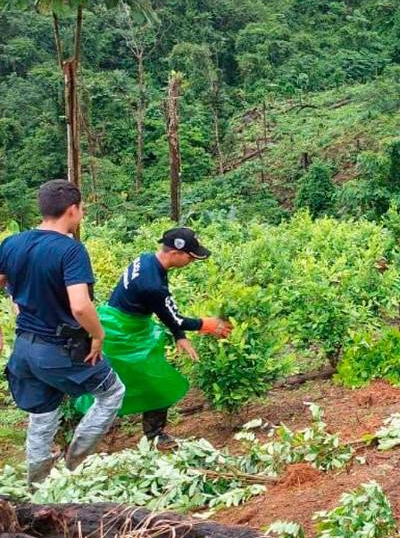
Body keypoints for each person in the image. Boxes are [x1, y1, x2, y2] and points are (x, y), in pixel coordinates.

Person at [0, 180, 125, 485]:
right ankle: (74, 464)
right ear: (72, 210)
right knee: (112, 393)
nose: (81, 214)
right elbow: (80, 306)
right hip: (59, 349)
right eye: (81, 209)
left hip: (25, 349)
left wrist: (17, 299)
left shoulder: (11, 243)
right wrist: (98, 335)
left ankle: (37, 485)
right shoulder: (70, 250)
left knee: (42, 416)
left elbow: (4, 281)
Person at [94, 227, 232, 448]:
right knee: (155, 382)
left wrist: (179, 336)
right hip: (123, 336)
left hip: (124, 326)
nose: (191, 261)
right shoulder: (153, 285)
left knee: (138, 381)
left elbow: (163, 311)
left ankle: (152, 434)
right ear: (175, 253)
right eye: (190, 256)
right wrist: (207, 324)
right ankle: (144, 435)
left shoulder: (148, 260)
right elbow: (175, 316)